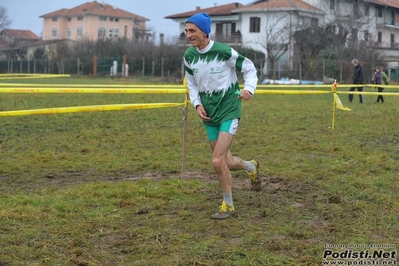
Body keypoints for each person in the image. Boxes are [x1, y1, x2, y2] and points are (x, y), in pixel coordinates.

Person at [183, 12, 260, 220]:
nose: (188, 35)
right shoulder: (189, 56)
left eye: (192, 31)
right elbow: (190, 83)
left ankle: (228, 205)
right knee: (227, 160)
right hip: (208, 114)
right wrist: (197, 104)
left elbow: (249, 68)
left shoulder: (223, 51)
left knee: (217, 161)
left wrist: (249, 90)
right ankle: (250, 166)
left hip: (229, 109)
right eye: (186, 31)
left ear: (204, 32)